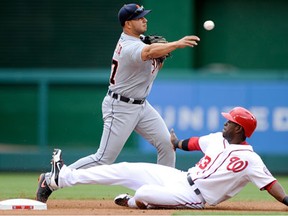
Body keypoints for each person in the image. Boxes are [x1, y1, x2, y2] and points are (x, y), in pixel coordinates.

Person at [36, 106, 288, 209]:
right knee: (124, 168)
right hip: (178, 178)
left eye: (230, 121)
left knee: (144, 192)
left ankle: (136, 203)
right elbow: (190, 144)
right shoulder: (216, 139)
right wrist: (176, 142)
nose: (225, 122)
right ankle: (62, 178)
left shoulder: (251, 159)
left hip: (195, 197)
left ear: (239, 129)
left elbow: (270, 185)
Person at [66, 3, 200, 169]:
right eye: (139, 17)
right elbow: (148, 52)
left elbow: (151, 62)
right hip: (120, 106)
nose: (144, 19)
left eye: (144, 16)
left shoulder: (141, 40)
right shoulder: (129, 46)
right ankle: (54, 178)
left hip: (141, 106)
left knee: (167, 144)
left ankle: (164, 191)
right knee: (103, 159)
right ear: (128, 23)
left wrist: (161, 57)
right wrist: (176, 44)